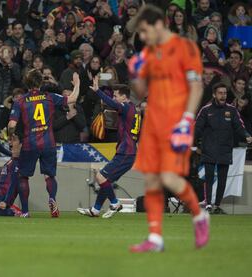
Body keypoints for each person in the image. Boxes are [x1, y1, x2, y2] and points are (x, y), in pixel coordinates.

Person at [127, 5, 209, 252]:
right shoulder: (150, 54)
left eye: (143, 31)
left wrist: (186, 120)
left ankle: (199, 214)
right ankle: (155, 238)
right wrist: (135, 73)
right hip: (152, 124)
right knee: (151, 179)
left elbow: (196, 87)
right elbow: (142, 93)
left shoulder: (186, 48)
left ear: (159, 24)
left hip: (177, 124)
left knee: (169, 178)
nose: (142, 37)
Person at [8, 70, 80, 217]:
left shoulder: (19, 101)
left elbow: (11, 124)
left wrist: (11, 135)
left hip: (30, 143)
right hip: (48, 142)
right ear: (40, 83)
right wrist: (77, 83)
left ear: (26, 83)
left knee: (23, 176)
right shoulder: (50, 97)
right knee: (49, 175)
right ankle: (52, 199)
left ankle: (26, 211)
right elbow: (72, 99)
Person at [77, 81, 140, 218]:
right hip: (128, 151)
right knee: (106, 181)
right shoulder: (133, 109)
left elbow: (113, 104)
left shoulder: (126, 107)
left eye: (116, 95)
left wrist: (98, 91)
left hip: (126, 152)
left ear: (124, 97)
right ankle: (96, 209)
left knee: (100, 176)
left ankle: (115, 203)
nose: (114, 98)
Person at [195, 83, 252, 214]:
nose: (223, 96)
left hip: (225, 149)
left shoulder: (232, 110)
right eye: (220, 93)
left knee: (222, 179)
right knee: (208, 178)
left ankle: (217, 205)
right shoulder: (206, 110)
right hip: (209, 149)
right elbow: (197, 128)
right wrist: (189, 140)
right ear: (214, 94)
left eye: (225, 93)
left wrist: (247, 136)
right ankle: (208, 204)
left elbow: (239, 127)